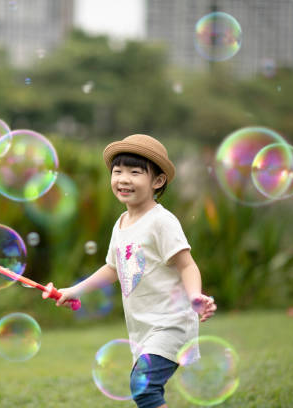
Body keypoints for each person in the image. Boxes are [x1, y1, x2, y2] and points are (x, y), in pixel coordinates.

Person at [45, 134, 217, 408]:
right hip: (143, 327)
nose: (123, 179)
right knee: (144, 389)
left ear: (157, 181)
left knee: (144, 390)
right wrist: (74, 290)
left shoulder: (161, 222)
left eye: (135, 172)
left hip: (171, 323)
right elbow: (113, 268)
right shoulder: (122, 223)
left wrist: (195, 296)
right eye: (118, 171)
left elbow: (187, 264)